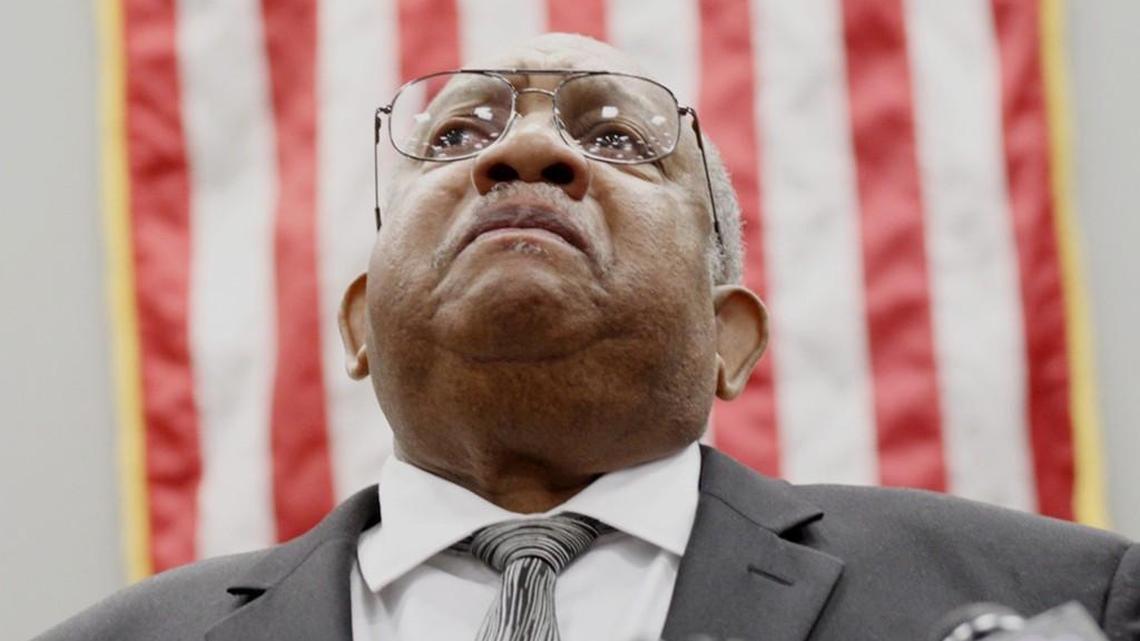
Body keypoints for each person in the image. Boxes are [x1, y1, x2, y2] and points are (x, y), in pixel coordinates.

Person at [38, 33, 1138, 641]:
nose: (521, 153)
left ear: (728, 337)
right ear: (361, 322)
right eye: (456, 136)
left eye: (615, 137)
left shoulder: (1064, 595)